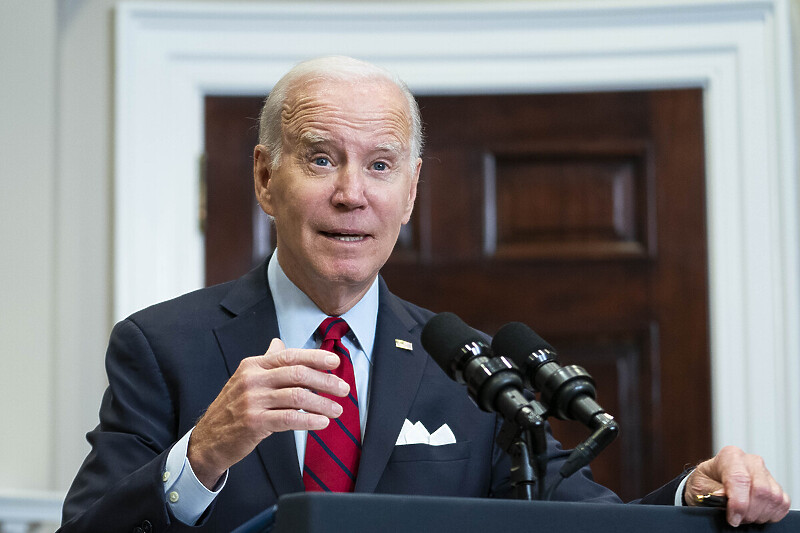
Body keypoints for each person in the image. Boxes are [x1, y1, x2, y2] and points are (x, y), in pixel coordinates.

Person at [60, 56, 790, 532]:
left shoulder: (468, 367)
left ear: (410, 192)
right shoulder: (161, 347)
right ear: (263, 179)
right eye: (321, 159)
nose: (353, 194)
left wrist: (694, 492)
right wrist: (202, 452)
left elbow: (586, 521)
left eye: (380, 165)